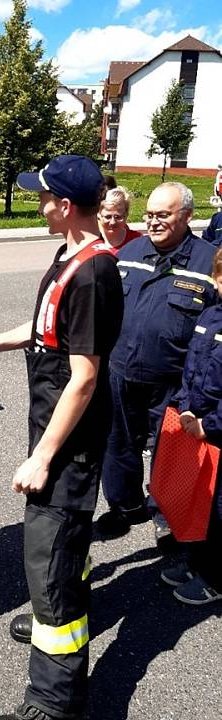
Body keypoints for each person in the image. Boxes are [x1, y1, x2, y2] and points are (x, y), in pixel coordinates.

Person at [0, 155, 123, 720]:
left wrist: (42, 458)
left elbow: (84, 377)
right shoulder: (66, 256)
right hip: (51, 426)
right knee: (62, 560)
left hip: (67, 444)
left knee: (51, 557)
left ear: (65, 207)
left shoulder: (93, 272)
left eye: (42, 198)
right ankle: (55, 609)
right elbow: (45, 334)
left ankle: (53, 702)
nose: (37, 205)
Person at [98, 182, 216, 550]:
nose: (153, 222)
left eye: (162, 215)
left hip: (174, 381)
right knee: (117, 444)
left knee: (169, 453)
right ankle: (125, 505)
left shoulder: (208, 260)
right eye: (149, 214)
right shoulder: (129, 252)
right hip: (120, 371)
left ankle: (166, 516)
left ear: (187, 216)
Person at [159, 247, 222, 605]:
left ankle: (215, 577)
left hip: (215, 429)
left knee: (218, 511)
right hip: (194, 423)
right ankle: (198, 561)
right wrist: (183, 408)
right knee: (197, 500)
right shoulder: (210, 315)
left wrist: (209, 424)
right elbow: (191, 368)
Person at [98, 185, 142, 254]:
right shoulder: (91, 240)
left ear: (126, 215)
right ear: (99, 215)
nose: (112, 222)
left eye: (118, 217)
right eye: (108, 217)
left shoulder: (137, 241)